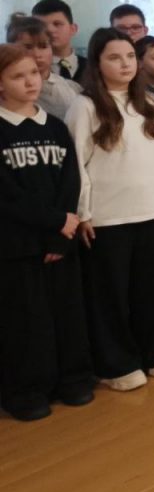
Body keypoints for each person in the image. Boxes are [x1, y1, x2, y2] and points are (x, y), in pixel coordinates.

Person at [66, 28, 154, 391]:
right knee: (110, 295)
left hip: (149, 211)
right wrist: (83, 213)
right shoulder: (85, 106)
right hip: (107, 217)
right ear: (97, 63)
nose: (125, 64)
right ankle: (116, 364)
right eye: (114, 58)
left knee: (151, 289)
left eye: (130, 56)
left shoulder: (151, 103)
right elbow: (76, 164)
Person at [0, 44, 93, 421]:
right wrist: (53, 222)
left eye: (34, 74)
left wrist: (62, 230)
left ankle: (72, 378)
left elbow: (70, 180)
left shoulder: (54, 126)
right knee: (25, 320)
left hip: (60, 240)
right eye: (18, 76)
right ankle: (25, 390)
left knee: (67, 313)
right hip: (17, 245)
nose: (30, 82)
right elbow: (7, 195)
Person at [6, 15, 81, 120]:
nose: (37, 54)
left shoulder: (72, 88)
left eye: (43, 46)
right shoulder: (6, 92)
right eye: (28, 47)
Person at [31, 0, 84, 82]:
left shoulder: (93, 67)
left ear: (73, 29)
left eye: (57, 24)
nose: (50, 30)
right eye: (42, 26)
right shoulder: (29, 69)